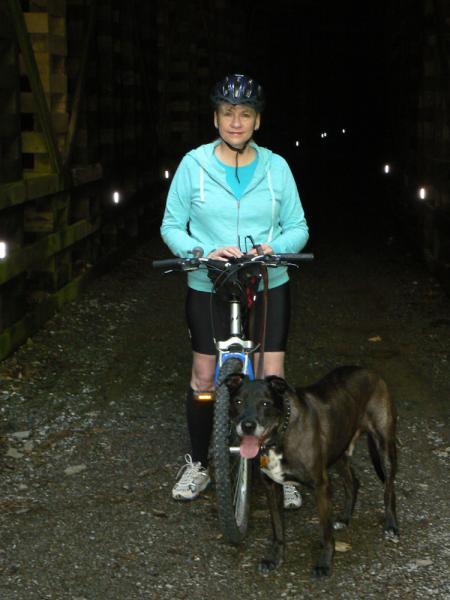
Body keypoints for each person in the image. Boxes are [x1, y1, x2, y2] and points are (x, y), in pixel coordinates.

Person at [160, 73, 309, 508]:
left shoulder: (277, 167)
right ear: (216, 118)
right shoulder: (194, 165)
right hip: (209, 282)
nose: (236, 122)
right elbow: (172, 224)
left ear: (257, 121)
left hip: (267, 282)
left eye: (245, 114)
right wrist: (200, 250)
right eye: (228, 113)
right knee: (204, 378)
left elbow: (298, 227)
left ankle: (280, 467)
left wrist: (274, 249)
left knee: (271, 379)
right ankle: (199, 464)